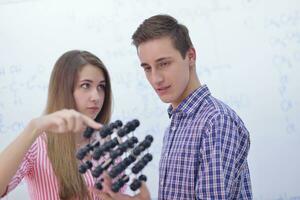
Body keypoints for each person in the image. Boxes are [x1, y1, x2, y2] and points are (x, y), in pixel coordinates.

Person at [98, 14, 253, 200]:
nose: (155, 79)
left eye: (164, 64)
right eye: (147, 68)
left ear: (190, 56)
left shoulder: (216, 122)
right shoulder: (176, 124)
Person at [0, 50, 114, 200]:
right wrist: (34, 127)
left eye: (101, 87)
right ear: (63, 90)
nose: (97, 97)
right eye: (86, 85)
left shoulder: (107, 144)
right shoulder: (38, 144)